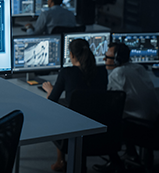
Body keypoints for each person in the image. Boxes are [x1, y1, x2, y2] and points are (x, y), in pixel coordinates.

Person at [42, 38, 108, 172]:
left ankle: (61, 161)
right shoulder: (102, 72)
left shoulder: (67, 72)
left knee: (57, 113)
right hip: (99, 129)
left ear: (71, 55)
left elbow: (51, 102)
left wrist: (50, 90)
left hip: (74, 129)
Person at [93, 42, 159, 172]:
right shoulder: (139, 68)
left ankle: (115, 162)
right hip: (155, 123)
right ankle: (132, 155)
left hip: (141, 127)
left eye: (108, 57)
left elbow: (112, 105)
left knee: (106, 120)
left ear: (117, 59)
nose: (104, 60)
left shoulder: (118, 73)